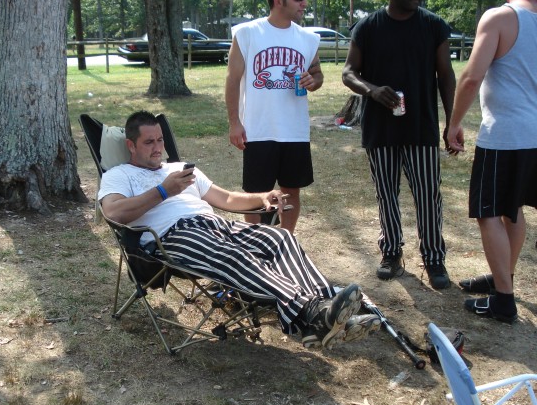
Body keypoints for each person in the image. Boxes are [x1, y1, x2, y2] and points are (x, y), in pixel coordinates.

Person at [99, 111, 381, 350]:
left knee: (279, 237)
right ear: (131, 145)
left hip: (215, 225)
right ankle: (311, 313)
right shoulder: (119, 175)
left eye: (160, 139)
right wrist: (163, 190)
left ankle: (326, 310)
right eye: (149, 142)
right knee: (235, 256)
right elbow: (113, 212)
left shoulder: (180, 169)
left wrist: (262, 198)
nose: (158, 147)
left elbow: (228, 199)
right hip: (172, 238)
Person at [341, 0, 456, 290]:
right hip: (380, 128)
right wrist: (372, 90)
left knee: (428, 193)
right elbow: (349, 72)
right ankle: (391, 252)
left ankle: (433, 257)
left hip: (421, 125)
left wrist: (452, 123)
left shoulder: (433, 26)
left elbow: (445, 75)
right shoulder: (368, 27)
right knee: (386, 192)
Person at [446, 0, 537, 323]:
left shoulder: (500, 18)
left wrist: (454, 123)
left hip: (505, 135)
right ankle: (503, 279)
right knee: (513, 211)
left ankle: (503, 301)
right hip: (533, 136)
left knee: (489, 214)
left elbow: (471, 77)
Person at [225, 0, 323, 234]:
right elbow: (232, 79)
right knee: (255, 192)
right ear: (279, 0)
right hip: (259, 129)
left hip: (294, 130)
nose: (305, 3)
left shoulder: (308, 38)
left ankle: (285, 240)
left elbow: (317, 74)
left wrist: (314, 81)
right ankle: (257, 241)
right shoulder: (247, 33)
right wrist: (234, 123)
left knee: (292, 190)